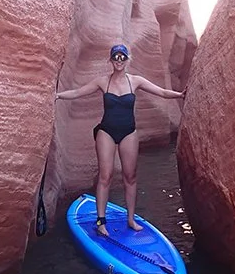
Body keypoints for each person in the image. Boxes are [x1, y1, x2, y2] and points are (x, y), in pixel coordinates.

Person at [55, 44, 185, 236]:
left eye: (122, 57)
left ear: (127, 59)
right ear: (110, 60)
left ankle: (131, 219)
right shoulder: (102, 81)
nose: (119, 60)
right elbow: (77, 92)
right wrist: (57, 95)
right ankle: (101, 222)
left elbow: (162, 92)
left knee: (130, 177)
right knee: (105, 176)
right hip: (106, 131)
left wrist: (180, 95)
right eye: (115, 57)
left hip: (129, 132)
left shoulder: (135, 81)